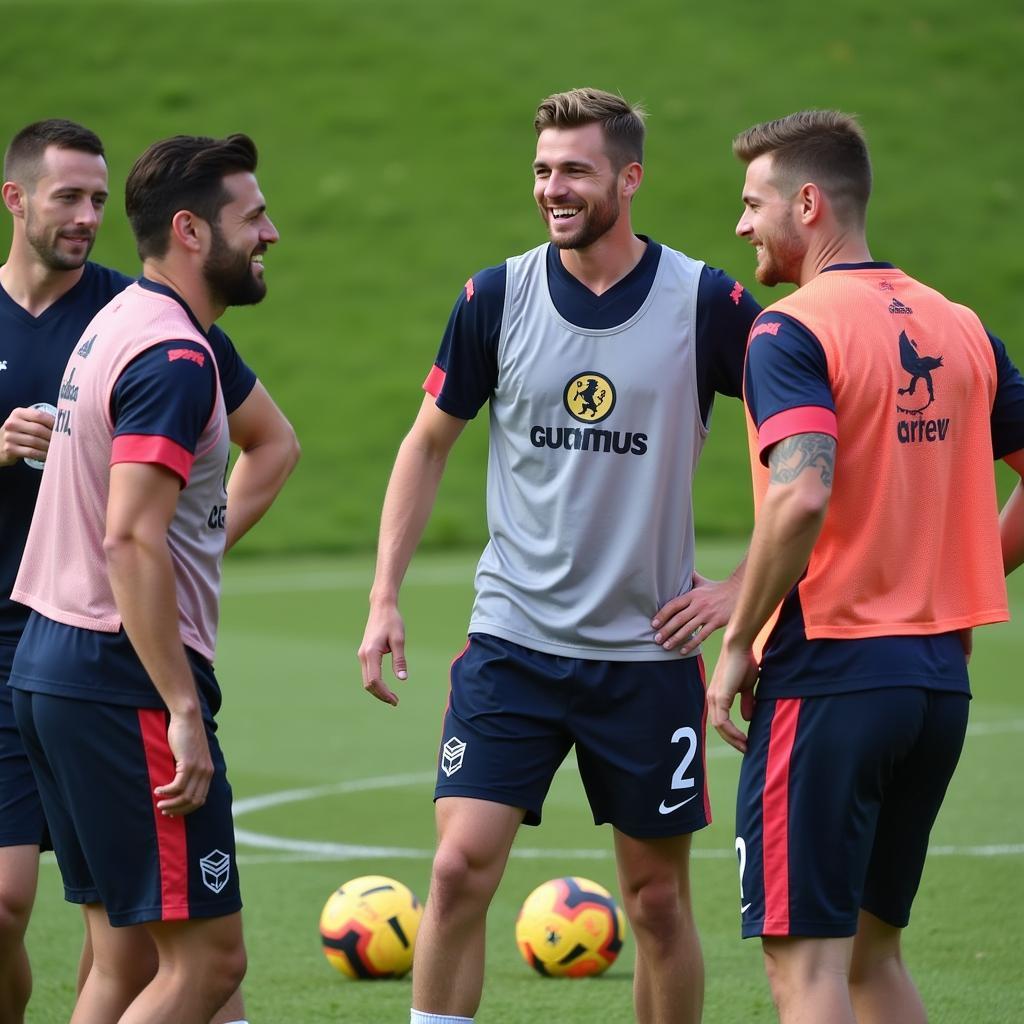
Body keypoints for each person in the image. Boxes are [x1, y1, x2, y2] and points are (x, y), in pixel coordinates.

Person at [358, 87, 760, 1024]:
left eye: (574, 170)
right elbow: (426, 443)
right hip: (513, 643)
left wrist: (744, 587)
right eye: (542, 170)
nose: (553, 189)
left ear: (630, 177)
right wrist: (384, 594)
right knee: (458, 870)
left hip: (648, 655)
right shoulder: (493, 295)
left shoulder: (706, 301)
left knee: (657, 905)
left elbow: (798, 440)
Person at [707, 110, 1024, 1024]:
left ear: (807, 205)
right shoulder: (962, 326)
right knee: (872, 958)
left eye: (752, 203)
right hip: (937, 687)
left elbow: (800, 493)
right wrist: (966, 576)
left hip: (829, 681)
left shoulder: (789, 332)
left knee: (804, 966)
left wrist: (735, 646)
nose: (741, 226)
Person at [0, 119, 297, 1024]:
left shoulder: (114, 322)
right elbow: (131, 541)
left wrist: (192, 553)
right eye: (253, 216)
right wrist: (178, 706)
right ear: (193, 232)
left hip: (50, 662)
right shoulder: (171, 355)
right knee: (209, 964)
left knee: (126, 957)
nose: (271, 233)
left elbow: (232, 476)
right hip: (117, 674)